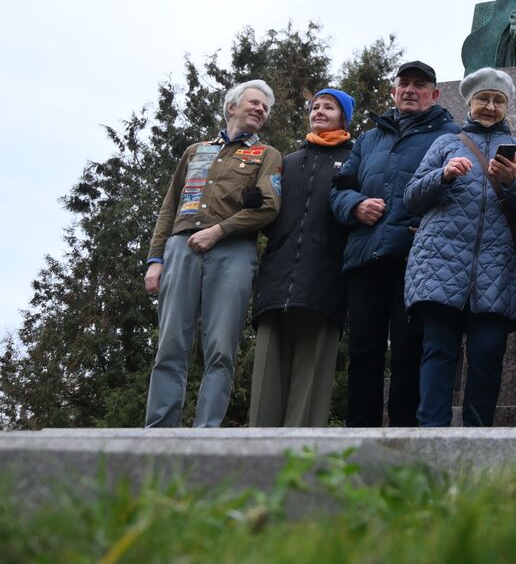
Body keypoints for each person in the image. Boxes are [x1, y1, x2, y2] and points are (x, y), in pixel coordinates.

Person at [402, 69, 516, 427]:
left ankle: (478, 435)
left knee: (487, 354)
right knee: (439, 352)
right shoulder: (445, 144)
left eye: (498, 101)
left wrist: (512, 182)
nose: (490, 107)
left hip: (494, 269)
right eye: (483, 99)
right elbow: (411, 198)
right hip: (439, 264)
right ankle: (431, 434)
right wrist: (443, 175)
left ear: (507, 106)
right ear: (469, 103)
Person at [143, 79, 282, 427]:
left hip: (233, 252)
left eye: (264, 108)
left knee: (221, 349)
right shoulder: (195, 151)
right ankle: (158, 433)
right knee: (170, 345)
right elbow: (168, 207)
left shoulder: (267, 155)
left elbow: (269, 208)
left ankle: (207, 434)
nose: (259, 110)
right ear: (231, 107)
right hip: (180, 248)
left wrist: (219, 230)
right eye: (253, 103)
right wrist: (155, 260)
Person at [332, 60, 460, 427]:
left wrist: (427, 226)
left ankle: (406, 437)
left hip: (415, 258)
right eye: (404, 83)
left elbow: (457, 192)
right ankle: (360, 437)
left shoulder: (450, 136)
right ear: (393, 90)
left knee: (409, 351)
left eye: (419, 85)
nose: (410, 90)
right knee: (363, 352)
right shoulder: (369, 138)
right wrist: (356, 206)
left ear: (435, 94)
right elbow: (340, 189)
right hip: (365, 256)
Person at [248, 88, 356, 427]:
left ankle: (300, 469)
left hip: (324, 285)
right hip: (276, 284)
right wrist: (252, 203)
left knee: (309, 392)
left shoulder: (356, 160)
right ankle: (259, 463)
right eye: (315, 107)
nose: (319, 112)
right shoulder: (287, 162)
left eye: (329, 107)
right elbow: (271, 219)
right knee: (265, 386)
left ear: (344, 117)